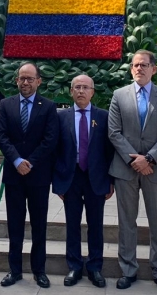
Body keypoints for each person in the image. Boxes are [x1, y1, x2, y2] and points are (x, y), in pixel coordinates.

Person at [108, 50, 157, 292]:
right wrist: (133, 160)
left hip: (155, 170)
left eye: (144, 65)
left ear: (153, 69)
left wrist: (149, 159)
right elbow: (113, 132)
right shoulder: (119, 95)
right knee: (127, 222)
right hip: (126, 170)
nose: (139, 69)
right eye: (135, 65)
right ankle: (128, 270)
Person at [0, 62, 59, 288]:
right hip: (14, 175)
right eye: (22, 78)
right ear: (17, 80)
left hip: (38, 176)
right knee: (14, 225)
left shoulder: (49, 106)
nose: (25, 82)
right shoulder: (6, 104)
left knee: (39, 225)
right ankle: (14, 270)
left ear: (38, 81)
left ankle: (39, 270)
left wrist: (30, 161)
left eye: (30, 78)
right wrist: (16, 160)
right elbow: (1, 136)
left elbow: (50, 140)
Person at [53, 74, 114, 288]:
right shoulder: (61, 117)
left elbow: (109, 151)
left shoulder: (104, 116)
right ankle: (74, 266)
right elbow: (55, 151)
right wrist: (58, 181)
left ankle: (95, 267)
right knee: (72, 224)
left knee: (95, 224)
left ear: (92, 92)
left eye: (85, 87)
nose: (81, 91)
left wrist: (111, 181)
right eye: (77, 87)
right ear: (71, 91)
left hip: (96, 177)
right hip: (70, 177)